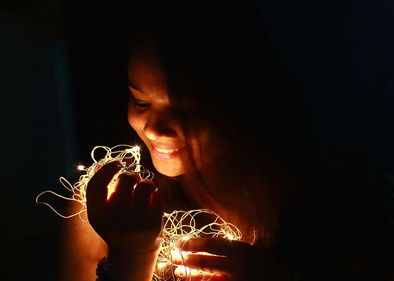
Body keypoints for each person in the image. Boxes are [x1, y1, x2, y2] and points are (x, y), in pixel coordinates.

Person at [59, 2, 314, 281]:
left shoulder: (296, 197)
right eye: (141, 102)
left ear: (241, 107)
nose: (155, 129)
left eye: (183, 111)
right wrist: (130, 257)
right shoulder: (107, 203)